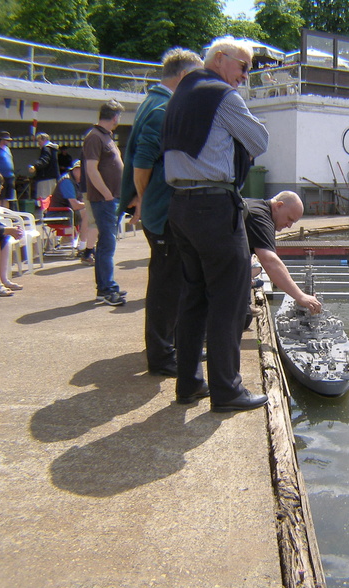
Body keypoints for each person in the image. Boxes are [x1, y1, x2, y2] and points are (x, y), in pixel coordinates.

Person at [163, 38, 268, 412]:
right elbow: (259, 139)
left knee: (193, 297)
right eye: (243, 66)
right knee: (229, 299)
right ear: (220, 60)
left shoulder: (180, 93)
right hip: (213, 206)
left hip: (181, 207)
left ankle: (189, 383)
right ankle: (227, 390)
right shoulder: (223, 96)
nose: (245, 75)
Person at [120, 47, 202, 377]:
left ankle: (174, 345)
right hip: (163, 213)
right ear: (182, 76)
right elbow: (141, 164)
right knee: (166, 285)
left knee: (173, 281)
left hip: (161, 210)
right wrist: (146, 199)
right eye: (195, 77)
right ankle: (161, 356)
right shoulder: (162, 108)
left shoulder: (154, 102)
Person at [244, 191, 322, 317]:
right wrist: (300, 296)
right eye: (289, 219)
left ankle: (243, 306)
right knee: (243, 319)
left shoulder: (255, 206)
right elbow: (270, 262)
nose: (289, 226)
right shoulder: (261, 218)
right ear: (278, 206)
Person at [83, 100, 125, 306]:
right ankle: (107, 289)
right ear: (115, 116)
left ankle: (105, 287)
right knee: (108, 245)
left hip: (110, 199)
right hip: (104, 200)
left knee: (106, 245)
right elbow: (92, 169)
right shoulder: (95, 137)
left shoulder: (104, 136)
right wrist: (107, 194)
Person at [48, 160, 97, 265]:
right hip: (58, 214)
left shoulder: (78, 182)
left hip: (68, 212)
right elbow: (75, 205)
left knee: (91, 212)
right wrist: (90, 204)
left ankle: (89, 245)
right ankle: (83, 247)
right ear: (76, 170)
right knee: (88, 213)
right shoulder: (67, 181)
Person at [28, 133, 59, 199]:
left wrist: (35, 166)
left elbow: (44, 160)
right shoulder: (53, 149)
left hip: (45, 178)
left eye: (39, 141)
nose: (38, 144)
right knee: (51, 199)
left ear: (44, 140)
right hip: (52, 178)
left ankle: (44, 210)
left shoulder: (46, 148)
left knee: (44, 199)